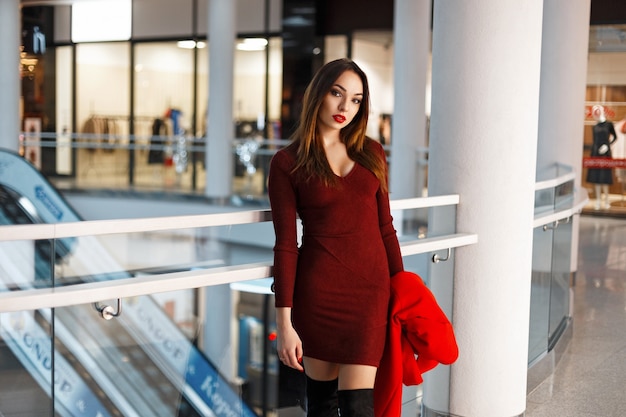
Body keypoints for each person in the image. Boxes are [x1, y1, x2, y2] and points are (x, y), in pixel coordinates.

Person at [268, 58, 404, 417]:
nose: (346, 107)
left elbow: (386, 228)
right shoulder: (287, 163)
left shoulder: (372, 152)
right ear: (319, 94)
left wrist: (402, 288)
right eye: (337, 93)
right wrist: (284, 323)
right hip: (318, 298)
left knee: (360, 408)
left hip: (371, 297)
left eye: (357, 99)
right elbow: (286, 245)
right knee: (323, 407)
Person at [586, 104, 617, 209]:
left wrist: (607, 146)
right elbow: (595, 140)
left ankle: (606, 199)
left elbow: (614, 137)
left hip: (605, 154)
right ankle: (598, 200)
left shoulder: (609, 125)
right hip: (595, 154)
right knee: (596, 178)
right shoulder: (595, 126)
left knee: (605, 177)